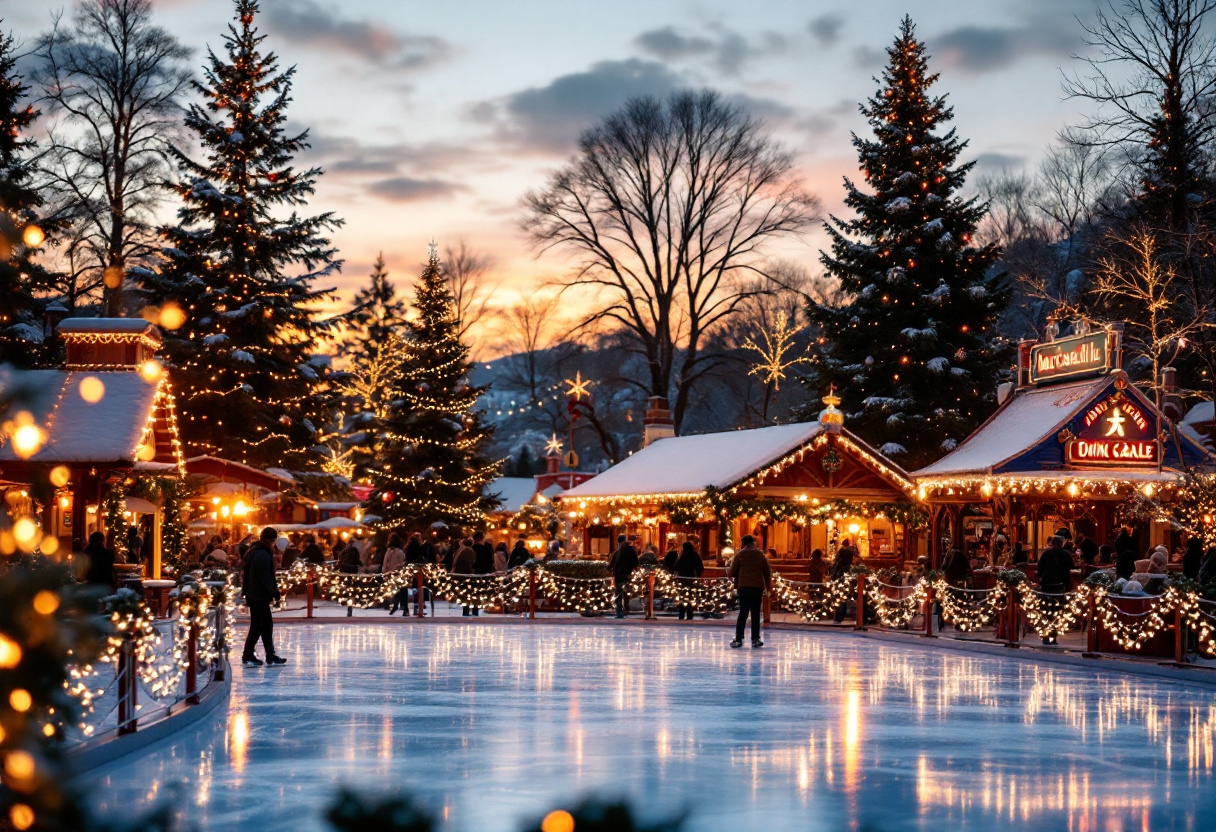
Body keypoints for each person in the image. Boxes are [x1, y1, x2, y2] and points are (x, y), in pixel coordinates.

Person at [242, 527, 285, 667]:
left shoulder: (256, 551)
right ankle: (248, 654)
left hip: (256, 594)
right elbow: (264, 576)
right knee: (258, 625)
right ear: (271, 540)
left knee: (265, 624)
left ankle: (270, 655)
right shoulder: (262, 554)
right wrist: (274, 591)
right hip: (258, 595)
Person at [729, 535, 771, 648]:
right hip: (757, 587)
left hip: (743, 587)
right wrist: (768, 588)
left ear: (743, 543)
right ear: (753, 543)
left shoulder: (740, 555)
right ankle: (755, 639)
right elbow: (767, 572)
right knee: (755, 613)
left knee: (743, 612)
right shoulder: (760, 555)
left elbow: (731, 572)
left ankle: (738, 638)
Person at [1036, 536, 1075, 645]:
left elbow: (1039, 569)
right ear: (1061, 544)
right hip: (1060, 586)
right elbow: (1072, 566)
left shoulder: (1046, 554)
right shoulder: (1065, 554)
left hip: (1047, 585)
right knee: (1056, 611)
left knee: (1046, 611)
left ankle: (1045, 636)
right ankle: (1053, 637)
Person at [608, 534, 639, 619]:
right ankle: (626, 607)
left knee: (619, 592)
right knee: (626, 592)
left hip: (618, 574)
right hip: (627, 574)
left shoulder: (617, 552)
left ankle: (619, 610)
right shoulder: (631, 550)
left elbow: (611, 564)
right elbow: (636, 563)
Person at [674, 541, 703, 620]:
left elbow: (676, 567)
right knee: (690, 597)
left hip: (682, 580)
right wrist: (698, 577)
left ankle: (681, 614)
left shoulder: (683, 556)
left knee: (682, 597)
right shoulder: (695, 555)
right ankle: (690, 614)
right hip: (692, 579)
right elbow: (700, 567)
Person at [451, 538, 478, 616]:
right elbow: (469, 563)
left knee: (466, 594)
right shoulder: (468, 551)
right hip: (465, 575)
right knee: (469, 594)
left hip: (461, 575)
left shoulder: (461, 551)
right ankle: (469, 611)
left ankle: (466, 611)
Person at [382, 534, 408, 615]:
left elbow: (402, 563)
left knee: (400, 590)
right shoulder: (389, 551)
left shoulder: (397, 552)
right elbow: (386, 563)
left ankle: (402, 607)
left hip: (397, 573)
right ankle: (398, 606)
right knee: (397, 590)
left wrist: (392, 570)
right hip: (392, 573)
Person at [337, 541, 361, 618]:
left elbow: (340, 560)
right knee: (352, 590)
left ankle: (345, 600)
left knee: (346, 588)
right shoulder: (355, 551)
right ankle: (350, 605)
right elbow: (358, 561)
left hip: (344, 572)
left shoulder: (344, 551)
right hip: (353, 572)